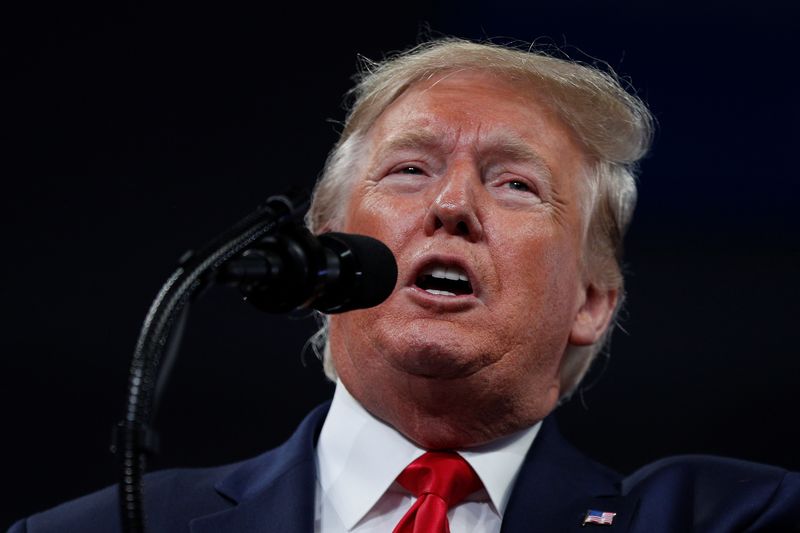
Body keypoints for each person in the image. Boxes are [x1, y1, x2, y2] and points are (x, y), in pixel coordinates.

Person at [9, 37, 800, 533]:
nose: (451, 205)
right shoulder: (105, 526)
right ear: (327, 253)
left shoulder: (721, 517)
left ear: (593, 299)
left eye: (516, 184)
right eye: (410, 169)